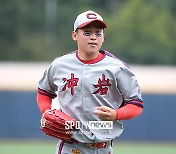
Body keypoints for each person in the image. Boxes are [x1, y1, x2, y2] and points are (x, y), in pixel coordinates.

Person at [37, 10, 144, 154]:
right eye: (87, 33)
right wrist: (46, 111)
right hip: (70, 146)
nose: (93, 37)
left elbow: (136, 104)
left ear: (103, 37)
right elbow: (44, 92)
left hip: (104, 147)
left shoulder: (117, 68)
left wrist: (116, 114)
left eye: (98, 33)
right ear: (74, 35)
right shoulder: (59, 65)